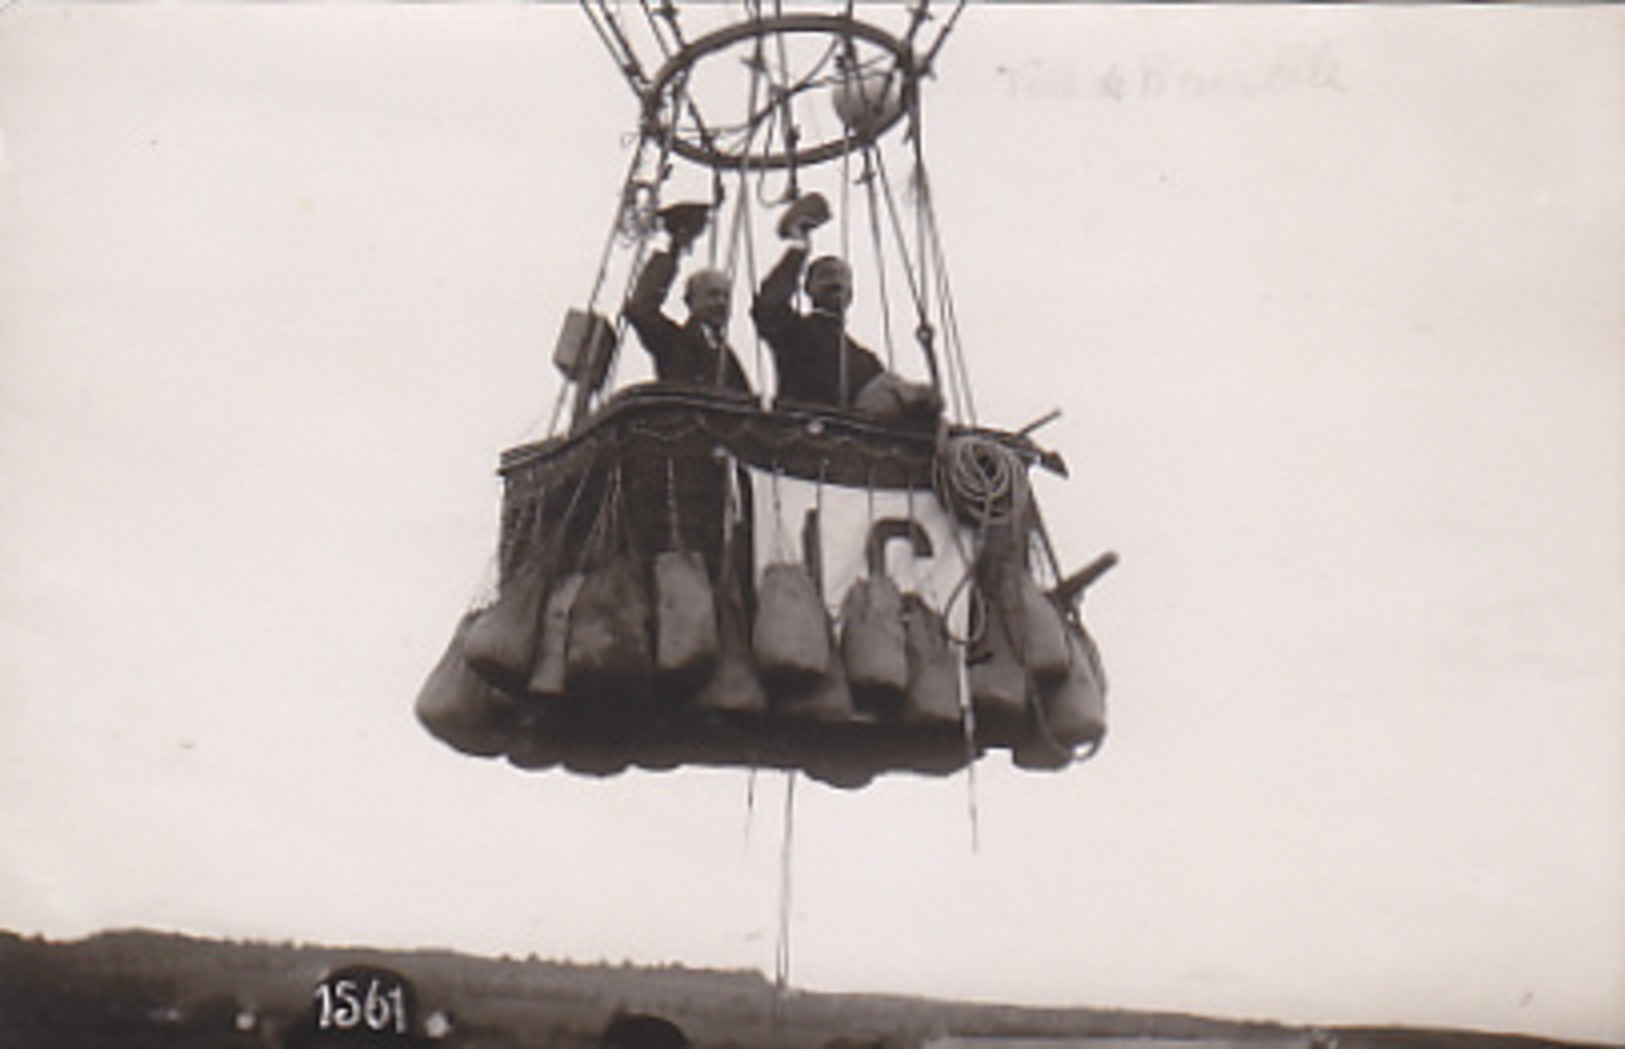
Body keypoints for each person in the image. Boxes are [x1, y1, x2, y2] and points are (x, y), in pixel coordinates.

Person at [751, 193, 942, 422]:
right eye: (826, 276)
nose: (836, 282)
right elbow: (769, 305)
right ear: (807, 289)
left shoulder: (865, 360)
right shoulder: (795, 333)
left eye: (843, 277)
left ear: (851, 293)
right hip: (802, 434)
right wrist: (799, 247)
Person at [623, 202, 751, 395]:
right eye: (713, 294)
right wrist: (675, 249)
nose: (721, 303)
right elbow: (641, 309)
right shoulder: (673, 340)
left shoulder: (726, 355)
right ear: (690, 301)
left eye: (726, 296)